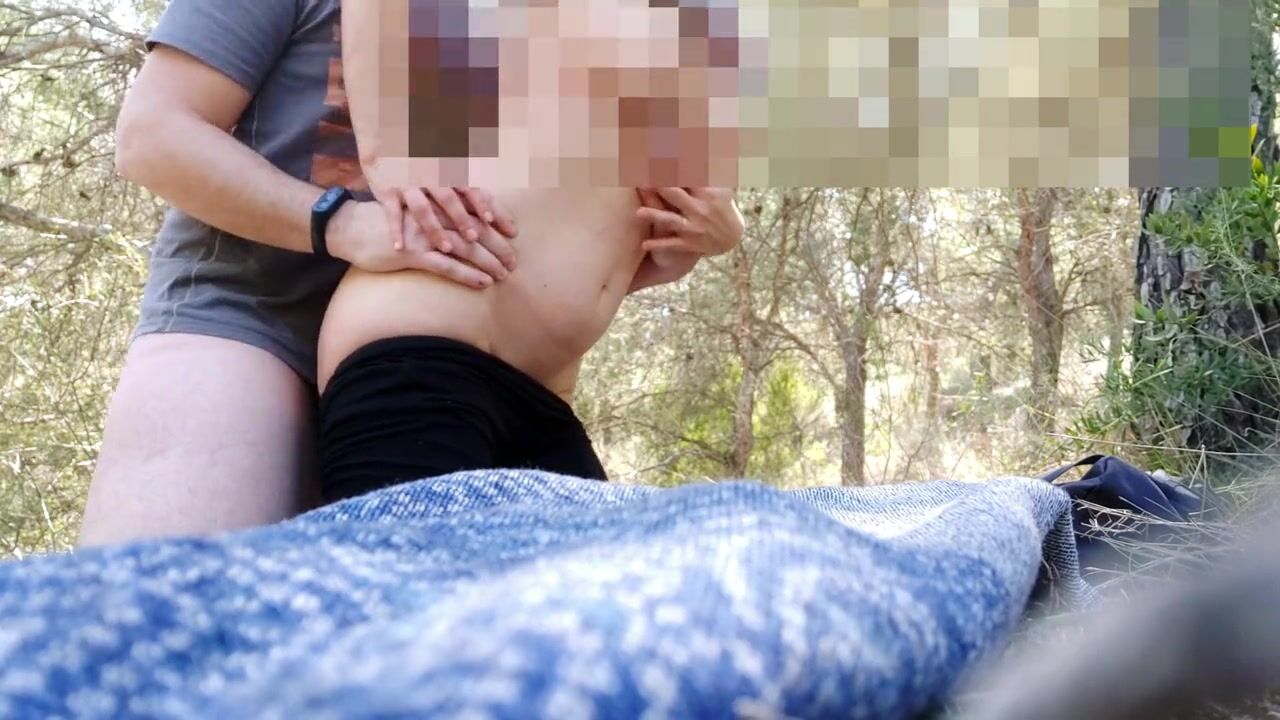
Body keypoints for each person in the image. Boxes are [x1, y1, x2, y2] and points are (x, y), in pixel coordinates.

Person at [79, 0, 740, 546]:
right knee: (175, 604)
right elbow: (151, 137)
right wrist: (342, 224)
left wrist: (692, 238)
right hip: (256, 312)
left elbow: (555, 211)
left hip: (457, 323)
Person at [317, 0, 745, 502]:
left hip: (546, 398)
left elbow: (634, 238)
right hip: (424, 350)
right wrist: (381, 153)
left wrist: (715, 234)